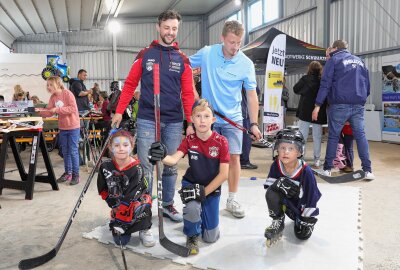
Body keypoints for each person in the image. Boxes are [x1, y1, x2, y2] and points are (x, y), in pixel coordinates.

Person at [111, 10, 195, 222]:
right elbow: (130, 85)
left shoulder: (183, 59)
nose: (170, 32)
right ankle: (144, 206)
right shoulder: (144, 55)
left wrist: (190, 122)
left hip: (174, 121)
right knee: (147, 164)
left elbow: (187, 93)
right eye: (166, 27)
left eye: (174, 28)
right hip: (148, 117)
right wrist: (119, 111)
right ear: (158, 27)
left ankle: (167, 204)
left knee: (170, 164)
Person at [189, 20, 262, 218]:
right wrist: (193, 94)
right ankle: (204, 197)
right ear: (222, 38)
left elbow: (251, 95)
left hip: (233, 120)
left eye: (239, 42)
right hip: (208, 118)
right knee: (204, 160)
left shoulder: (246, 63)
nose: (235, 47)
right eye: (231, 42)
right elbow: (184, 65)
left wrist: (254, 123)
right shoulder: (207, 53)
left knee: (233, 158)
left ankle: (232, 199)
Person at [148, 99, 229, 255]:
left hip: (211, 188)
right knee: (192, 209)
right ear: (192, 119)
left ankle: (200, 219)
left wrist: (204, 192)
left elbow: (224, 174)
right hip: (191, 184)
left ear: (213, 120)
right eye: (198, 116)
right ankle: (191, 234)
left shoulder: (221, 142)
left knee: (210, 237)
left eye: (206, 116)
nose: (202, 120)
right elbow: (172, 160)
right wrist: (160, 155)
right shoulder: (189, 141)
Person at [312, 40, 375, 180]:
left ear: (335, 48)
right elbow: (367, 85)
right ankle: (368, 170)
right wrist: (361, 98)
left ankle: (327, 169)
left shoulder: (334, 60)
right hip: (358, 104)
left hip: (339, 104)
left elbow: (325, 83)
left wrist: (317, 105)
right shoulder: (360, 61)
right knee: (361, 136)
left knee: (334, 136)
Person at [97, 130, 155, 247]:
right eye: (117, 145)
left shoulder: (137, 168)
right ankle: (118, 221)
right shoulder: (105, 166)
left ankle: (144, 228)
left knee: (144, 202)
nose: (121, 149)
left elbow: (133, 193)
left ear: (132, 146)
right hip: (118, 205)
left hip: (135, 202)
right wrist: (113, 205)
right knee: (120, 241)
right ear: (110, 147)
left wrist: (121, 210)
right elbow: (102, 187)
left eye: (125, 145)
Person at [264, 129, 321, 245]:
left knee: (302, 236)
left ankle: (300, 220)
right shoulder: (276, 165)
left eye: (291, 149)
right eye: (282, 148)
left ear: (299, 152)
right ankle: (278, 221)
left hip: (300, 208)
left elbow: (312, 196)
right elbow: (270, 191)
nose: (286, 152)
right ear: (277, 149)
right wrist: (278, 184)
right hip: (286, 206)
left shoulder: (306, 171)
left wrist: (306, 217)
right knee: (273, 190)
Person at [37, 76, 81, 185]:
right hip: (63, 127)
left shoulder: (67, 94)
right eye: (47, 85)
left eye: (50, 84)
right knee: (65, 151)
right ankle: (68, 173)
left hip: (73, 127)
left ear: (58, 84)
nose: (48, 87)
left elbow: (73, 109)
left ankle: (76, 175)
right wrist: (39, 111)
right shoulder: (53, 97)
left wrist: (57, 109)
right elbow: (49, 111)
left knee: (73, 151)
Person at [293, 61, 327, 168]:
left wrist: (304, 92)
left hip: (305, 111)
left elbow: (295, 89)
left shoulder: (304, 79)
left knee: (302, 135)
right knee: (317, 136)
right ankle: (317, 159)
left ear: (310, 69)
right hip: (318, 111)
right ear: (320, 69)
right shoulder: (322, 81)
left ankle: (301, 158)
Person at [240, 86, 259, 170]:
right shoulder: (246, 78)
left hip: (234, 114)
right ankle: (244, 161)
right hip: (245, 113)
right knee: (246, 139)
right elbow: (256, 91)